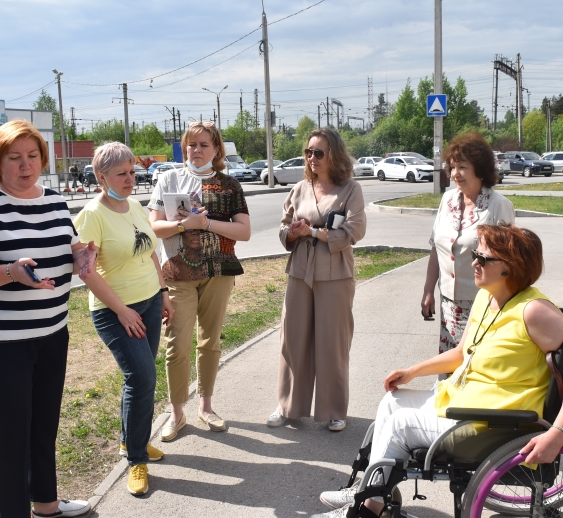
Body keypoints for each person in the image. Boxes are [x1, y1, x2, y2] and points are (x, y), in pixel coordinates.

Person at [314, 223, 563, 518]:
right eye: (475, 254)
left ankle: (366, 510)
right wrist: (412, 371)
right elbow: (461, 353)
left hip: (497, 421)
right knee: (393, 401)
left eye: (483, 258)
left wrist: (557, 434)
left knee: (401, 425)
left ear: (510, 267)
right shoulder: (487, 297)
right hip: (468, 403)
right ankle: (368, 490)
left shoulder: (534, 311)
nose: (474, 263)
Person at [0, 120, 96, 518]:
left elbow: (70, 251)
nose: (25, 165)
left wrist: (82, 258)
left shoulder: (54, 201)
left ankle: (47, 504)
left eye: (32, 156)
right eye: (14, 158)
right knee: (9, 436)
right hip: (5, 344)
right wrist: (10, 274)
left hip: (53, 333)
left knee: (43, 425)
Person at [75, 142, 174, 496]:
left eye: (133, 171)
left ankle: (131, 440)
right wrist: (121, 309)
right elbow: (86, 272)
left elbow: (150, 253)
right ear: (101, 177)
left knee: (142, 380)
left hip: (148, 301)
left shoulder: (134, 205)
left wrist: (163, 293)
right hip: (116, 311)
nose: (131, 179)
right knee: (141, 378)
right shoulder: (91, 215)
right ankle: (136, 460)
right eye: (122, 174)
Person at [148, 121, 251, 439]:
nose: (196, 151)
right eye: (191, 145)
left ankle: (205, 407)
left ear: (217, 149)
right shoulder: (168, 179)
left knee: (210, 342)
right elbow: (154, 227)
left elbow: (244, 231)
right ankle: (176, 414)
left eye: (204, 145)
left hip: (218, 273)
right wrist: (184, 225)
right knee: (176, 345)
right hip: (177, 275)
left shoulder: (229, 184)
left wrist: (206, 225)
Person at [267, 128, 366, 432]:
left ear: (333, 154)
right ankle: (288, 407)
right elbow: (283, 230)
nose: (312, 158)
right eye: (308, 152)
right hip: (300, 270)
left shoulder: (350, 189)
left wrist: (314, 232)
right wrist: (293, 233)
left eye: (318, 153)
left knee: (331, 342)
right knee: (292, 338)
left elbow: (354, 231)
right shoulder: (298, 188)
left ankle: (334, 409)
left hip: (334, 273)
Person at [421, 131, 515, 354]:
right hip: (448, 304)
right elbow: (437, 246)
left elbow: (508, 262)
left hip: (483, 304)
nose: (455, 174)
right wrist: (428, 290)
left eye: (462, 167)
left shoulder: (498, 205)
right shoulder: (448, 200)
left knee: (476, 367)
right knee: (450, 367)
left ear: (480, 169)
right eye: (452, 167)